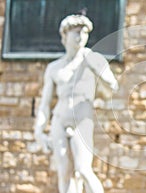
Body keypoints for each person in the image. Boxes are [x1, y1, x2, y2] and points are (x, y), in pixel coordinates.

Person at [34, 14, 118, 193]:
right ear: (65, 35)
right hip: (59, 120)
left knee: (83, 169)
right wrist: (39, 130)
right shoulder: (54, 67)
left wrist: (97, 69)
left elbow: (112, 87)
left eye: (85, 32)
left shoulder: (92, 58)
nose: (81, 37)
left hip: (82, 120)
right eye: (76, 32)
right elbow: (45, 103)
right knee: (64, 172)